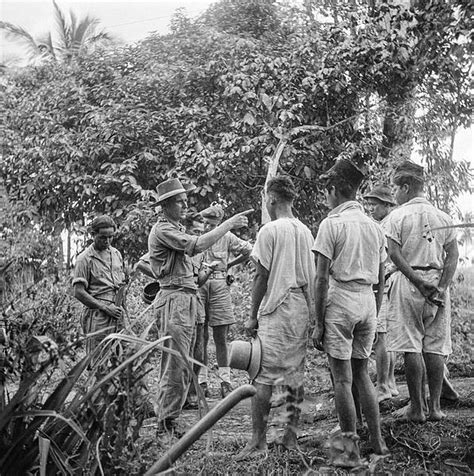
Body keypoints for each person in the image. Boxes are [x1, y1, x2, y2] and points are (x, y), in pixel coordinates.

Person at [148, 178, 251, 435]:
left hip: (187, 299)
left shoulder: (177, 229)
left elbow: (193, 273)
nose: (185, 205)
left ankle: (169, 419)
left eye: (185, 200)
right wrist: (229, 224)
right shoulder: (163, 231)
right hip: (176, 301)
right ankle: (165, 423)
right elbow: (196, 246)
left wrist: (210, 271)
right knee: (175, 363)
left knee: (183, 363)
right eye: (179, 201)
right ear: (166, 205)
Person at [312, 156, 388, 467]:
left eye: (326, 190)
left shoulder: (331, 224)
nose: (325, 196)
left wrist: (318, 323)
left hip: (341, 300)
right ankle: (379, 441)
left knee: (342, 379)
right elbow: (382, 276)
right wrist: (377, 308)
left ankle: (349, 451)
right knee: (362, 374)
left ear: (334, 190)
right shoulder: (374, 226)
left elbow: (320, 278)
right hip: (367, 301)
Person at [237, 175, 315, 460]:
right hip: (300, 307)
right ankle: (290, 438)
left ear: (271, 198)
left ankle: (258, 441)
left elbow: (261, 275)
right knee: (295, 374)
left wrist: (251, 316)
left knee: (263, 375)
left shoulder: (269, 230)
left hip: (277, 307)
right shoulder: (305, 231)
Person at [385, 160, 458, 422]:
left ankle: (417, 408)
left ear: (406, 187)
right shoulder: (443, 216)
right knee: (435, 346)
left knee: (411, 345)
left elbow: (393, 253)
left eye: (396, 189)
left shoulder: (397, 216)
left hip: (410, 281)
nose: (394, 195)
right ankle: (435, 407)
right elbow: (453, 256)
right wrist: (441, 287)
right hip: (437, 281)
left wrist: (417, 281)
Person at [198, 204, 253, 398]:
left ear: (219, 223)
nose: (207, 227)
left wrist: (229, 265)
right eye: (205, 223)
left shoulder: (227, 237)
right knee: (200, 336)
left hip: (220, 284)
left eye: (211, 224)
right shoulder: (197, 236)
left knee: (220, 337)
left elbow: (248, 250)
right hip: (199, 284)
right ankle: (201, 381)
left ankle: (225, 381)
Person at [363, 184, 399, 401]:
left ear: (386, 205)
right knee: (386, 337)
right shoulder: (384, 223)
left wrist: (383, 275)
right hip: (387, 284)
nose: (371, 209)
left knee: (381, 337)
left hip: (384, 285)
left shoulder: (386, 226)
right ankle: (390, 381)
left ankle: (383, 384)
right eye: (369, 204)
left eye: (375, 204)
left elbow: (391, 259)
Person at [73, 215, 126, 354]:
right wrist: (104, 307)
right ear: (93, 234)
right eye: (103, 237)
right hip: (97, 315)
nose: (107, 241)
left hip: (118, 311)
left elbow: (120, 282)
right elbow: (78, 291)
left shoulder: (116, 254)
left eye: (111, 237)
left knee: (121, 356)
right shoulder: (84, 259)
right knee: (97, 357)